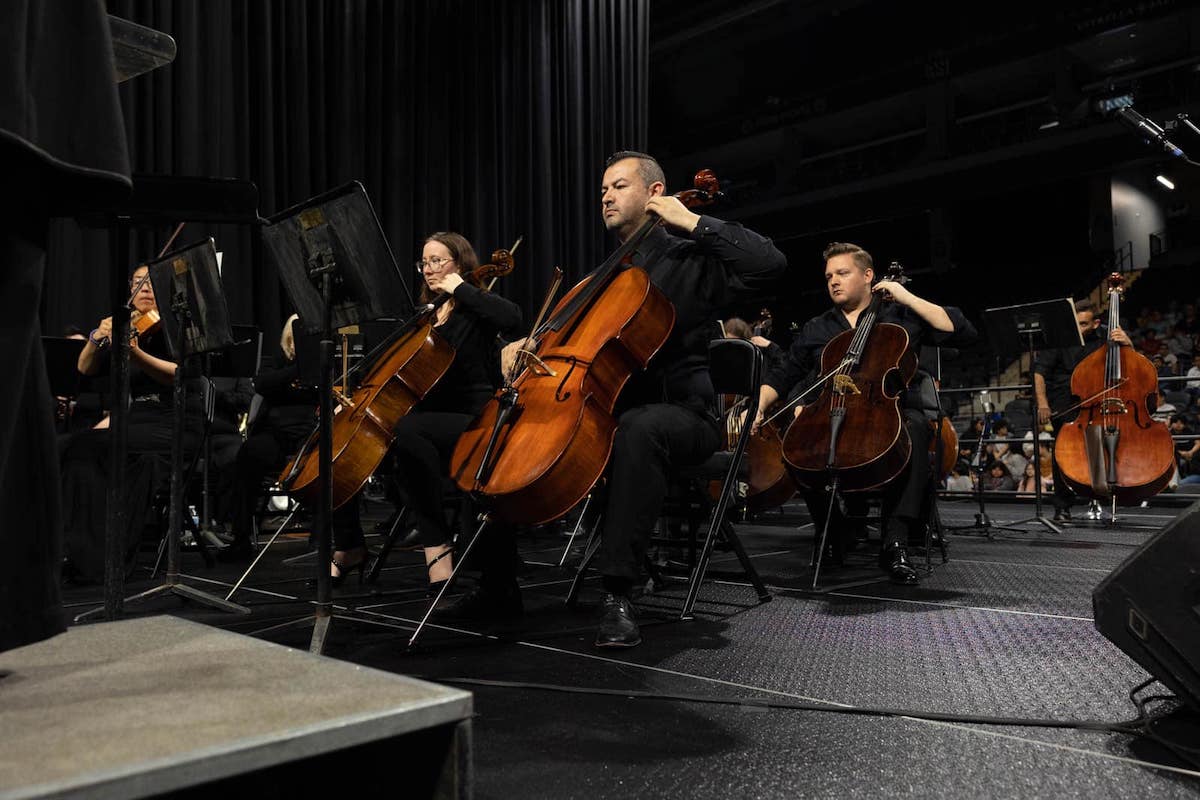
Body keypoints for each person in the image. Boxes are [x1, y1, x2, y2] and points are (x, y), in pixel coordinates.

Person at [454, 151, 786, 649]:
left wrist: (693, 220)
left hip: (682, 414)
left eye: (619, 186)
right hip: (607, 408)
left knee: (641, 430)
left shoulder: (690, 261)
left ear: (655, 193)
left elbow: (771, 263)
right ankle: (496, 583)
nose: (605, 195)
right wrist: (527, 343)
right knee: (494, 430)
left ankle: (618, 593)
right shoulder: (603, 276)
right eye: (603, 189)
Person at [753, 242, 977, 585]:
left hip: (891, 411)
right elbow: (785, 373)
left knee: (915, 429)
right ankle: (834, 531)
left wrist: (906, 296)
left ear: (868, 276)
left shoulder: (900, 315)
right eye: (829, 276)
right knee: (796, 440)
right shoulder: (818, 327)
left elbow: (959, 330)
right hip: (834, 412)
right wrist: (760, 406)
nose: (834, 282)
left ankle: (895, 541)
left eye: (843, 273)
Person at [327, 232, 523, 592]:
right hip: (424, 421)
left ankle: (437, 549)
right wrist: (354, 393)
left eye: (438, 261)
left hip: (473, 418)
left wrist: (462, 288)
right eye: (424, 263)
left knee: (407, 433)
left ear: (460, 264)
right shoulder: (424, 317)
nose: (429, 269)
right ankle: (349, 542)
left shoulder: (474, 309)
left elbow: (513, 318)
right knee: (343, 443)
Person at [61, 265, 204, 580]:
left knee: (81, 445)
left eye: (153, 283)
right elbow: (84, 369)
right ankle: (88, 554)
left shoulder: (180, 324)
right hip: (137, 421)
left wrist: (134, 353)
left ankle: (102, 557)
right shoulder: (129, 326)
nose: (145, 288)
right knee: (78, 456)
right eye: (139, 282)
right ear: (129, 288)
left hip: (176, 420)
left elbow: (181, 375)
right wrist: (97, 337)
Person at [222, 315, 317, 560]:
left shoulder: (322, 364)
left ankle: (321, 536)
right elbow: (262, 384)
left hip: (311, 432)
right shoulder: (276, 361)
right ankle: (240, 538)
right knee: (247, 456)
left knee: (326, 459)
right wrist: (299, 367)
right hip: (275, 433)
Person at [1033, 299, 1132, 521]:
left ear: (1096, 323)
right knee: (1064, 455)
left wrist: (1128, 343)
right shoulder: (1060, 338)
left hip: (1098, 404)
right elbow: (1039, 372)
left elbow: (1131, 363)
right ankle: (1062, 507)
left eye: (1084, 324)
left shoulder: (1107, 336)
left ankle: (1097, 500)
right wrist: (1042, 403)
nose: (1078, 328)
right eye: (1076, 323)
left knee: (1098, 453)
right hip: (1065, 403)